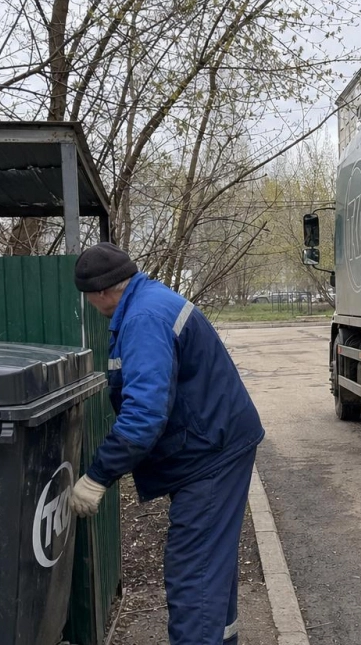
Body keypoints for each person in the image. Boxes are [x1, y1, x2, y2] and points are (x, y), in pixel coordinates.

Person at [67, 242, 264, 645]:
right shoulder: (148, 302)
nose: (88, 303)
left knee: (194, 574)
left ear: (101, 292)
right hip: (214, 444)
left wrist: (97, 476)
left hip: (210, 454)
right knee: (210, 567)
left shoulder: (143, 318)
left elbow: (144, 415)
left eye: (87, 296)